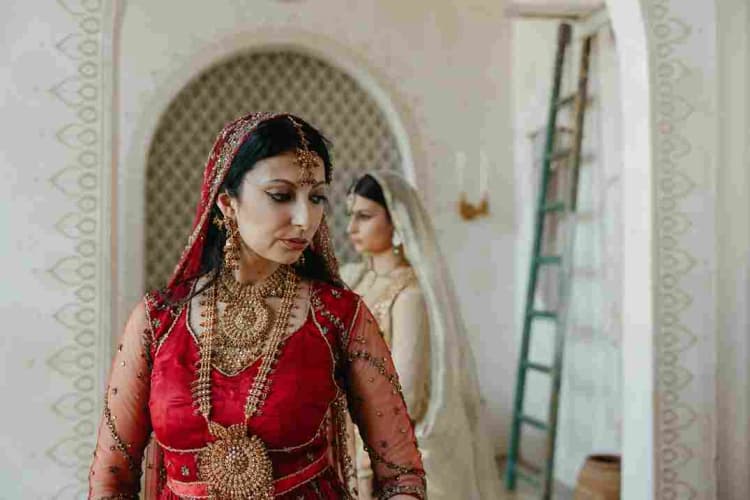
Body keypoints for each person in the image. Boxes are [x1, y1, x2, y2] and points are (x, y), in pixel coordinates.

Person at [88, 113, 425, 500]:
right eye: (282, 196)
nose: (305, 219)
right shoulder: (157, 320)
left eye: (316, 197)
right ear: (227, 203)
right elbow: (111, 479)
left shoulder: (338, 316)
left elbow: (401, 476)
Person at [342, 172, 502, 500]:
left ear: (395, 221)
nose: (351, 228)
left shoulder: (409, 293)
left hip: (379, 445)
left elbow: (408, 396)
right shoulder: (356, 279)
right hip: (342, 431)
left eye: (365, 216)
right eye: (350, 216)